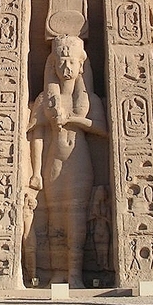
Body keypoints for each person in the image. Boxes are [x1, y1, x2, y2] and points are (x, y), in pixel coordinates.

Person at [28, 35, 107, 287]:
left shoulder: (89, 99)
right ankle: (57, 272)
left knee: (76, 217)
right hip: (54, 162)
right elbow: (37, 133)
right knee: (54, 217)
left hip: (79, 161)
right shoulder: (44, 99)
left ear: (80, 65)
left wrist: (71, 120)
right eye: (61, 62)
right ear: (53, 65)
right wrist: (35, 170)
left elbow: (102, 129)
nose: (66, 68)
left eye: (71, 62)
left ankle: (74, 274)